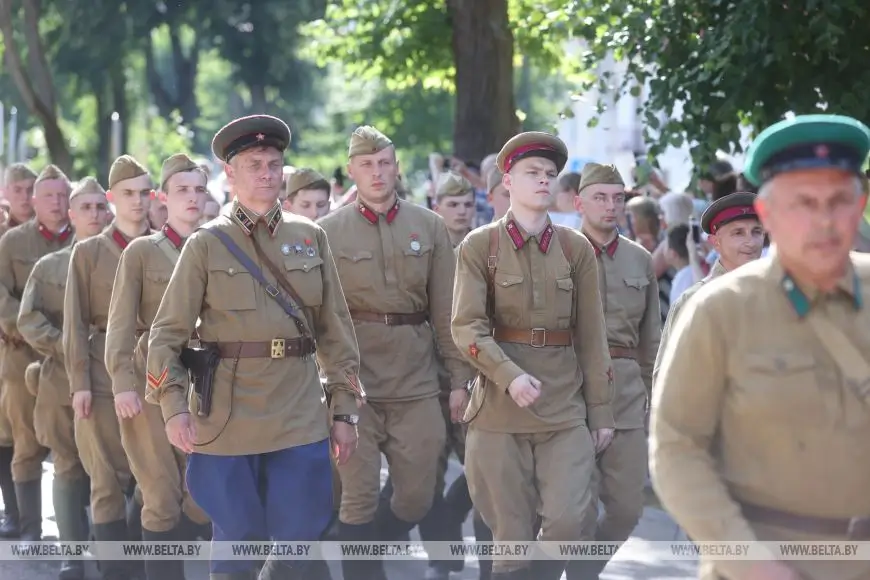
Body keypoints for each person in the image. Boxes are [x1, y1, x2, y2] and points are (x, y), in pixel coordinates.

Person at [651, 114, 870, 580]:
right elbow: (676, 447)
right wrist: (748, 561)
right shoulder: (719, 309)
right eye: (803, 203)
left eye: (839, 201)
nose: (824, 221)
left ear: (862, 205)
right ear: (769, 215)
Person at [146, 115, 364, 580]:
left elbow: (336, 335)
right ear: (231, 173)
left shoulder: (311, 237)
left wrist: (344, 413)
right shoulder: (206, 244)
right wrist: (172, 408)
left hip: (297, 411)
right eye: (253, 164)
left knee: (299, 537)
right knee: (237, 539)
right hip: (228, 414)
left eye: (273, 164)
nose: (266, 173)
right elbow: (166, 336)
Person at [452, 132, 615, 579]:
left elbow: (592, 335)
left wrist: (600, 411)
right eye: (532, 173)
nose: (543, 181)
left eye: (549, 174)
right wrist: (509, 375)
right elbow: (466, 327)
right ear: (508, 180)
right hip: (499, 414)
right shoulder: (478, 247)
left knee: (567, 521)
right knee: (510, 540)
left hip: (563, 408)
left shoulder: (574, 247)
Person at [319, 126, 473, 580]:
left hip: (416, 381)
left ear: (397, 166)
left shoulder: (428, 227)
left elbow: (448, 312)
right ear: (351, 171)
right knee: (358, 495)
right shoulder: (327, 232)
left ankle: (377, 545)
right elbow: (322, 318)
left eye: (384, 162)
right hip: (355, 384)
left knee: (418, 495)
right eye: (366, 165)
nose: (377, 172)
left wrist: (460, 380)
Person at [106, 154, 210, 580]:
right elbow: (119, 323)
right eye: (181, 190)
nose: (191, 198)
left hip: (206, 383)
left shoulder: (218, 246)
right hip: (152, 381)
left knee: (203, 497)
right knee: (161, 497)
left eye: (199, 189)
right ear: (162, 198)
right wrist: (121, 384)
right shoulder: (142, 252)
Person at [568, 163, 660, 579]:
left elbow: (650, 341)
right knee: (575, 510)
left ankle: (585, 570)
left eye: (618, 198)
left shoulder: (640, 260)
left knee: (626, 509)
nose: (611, 206)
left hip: (624, 394)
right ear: (579, 203)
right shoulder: (558, 252)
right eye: (600, 197)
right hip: (571, 391)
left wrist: (650, 397)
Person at [64, 156, 152, 579]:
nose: (137, 202)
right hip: (99, 378)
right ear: (112, 199)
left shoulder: (166, 246)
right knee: (106, 483)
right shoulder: (88, 253)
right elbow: (75, 323)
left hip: (153, 374)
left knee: (154, 481)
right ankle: (116, 571)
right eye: (127, 195)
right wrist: (79, 381)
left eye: (143, 193)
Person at [18, 176, 109, 579]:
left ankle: (113, 552)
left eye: (98, 206)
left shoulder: (129, 259)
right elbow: (28, 319)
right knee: (69, 465)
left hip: (111, 380)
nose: (93, 214)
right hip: (60, 382)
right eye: (84, 207)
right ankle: (72, 555)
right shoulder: (51, 265)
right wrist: (65, 343)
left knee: (114, 470)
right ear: (71, 214)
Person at [0, 164, 74, 542]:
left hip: (72, 357)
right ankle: (29, 528)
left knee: (77, 445)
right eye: (49, 196)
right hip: (22, 354)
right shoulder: (13, 243)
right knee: (25, 442)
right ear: (33, 201)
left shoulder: (83, 239)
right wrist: (32, 331)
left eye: (63, 195)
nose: (58, 203)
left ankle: (79, 533)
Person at [653, 192, 764, 387]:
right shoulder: (695, 301)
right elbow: (668, 379)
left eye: (756, 231)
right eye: (738, 233)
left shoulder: (777, 297)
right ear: (715, 242)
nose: (751, 242)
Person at [0, 163, 37, 539]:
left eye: (32, 189)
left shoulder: (49, 237)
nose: (26, 197)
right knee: (6, 436)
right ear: (6, 193)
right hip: (9, 346)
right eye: (19, 189)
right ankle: (15, 514)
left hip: (38, 348)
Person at [432, 171, 476, 247]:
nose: (462, 211)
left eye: (468, 205)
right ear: (437, 210)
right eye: (453, 205)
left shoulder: (486, 245)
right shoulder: (429, 248)